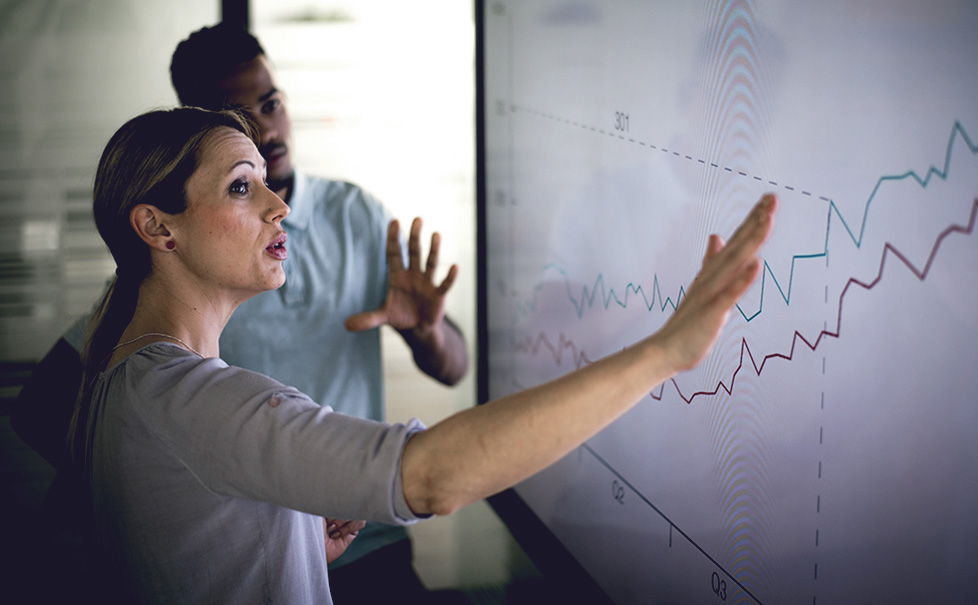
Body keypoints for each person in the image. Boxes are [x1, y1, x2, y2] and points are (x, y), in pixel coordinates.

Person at [75, 105, 776, 603]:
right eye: (239, 187)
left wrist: (290, 544)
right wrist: (663, 353)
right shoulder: (194, 400)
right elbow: (434, 477)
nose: (278, 205)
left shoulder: (122, 378)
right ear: (156, 227)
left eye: (263, 178)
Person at [12, 22, 468, 600]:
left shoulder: (355, 215)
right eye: (239, 116)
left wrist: (425, 332)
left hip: (357, 537)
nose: (269, 127)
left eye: (271, 103)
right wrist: (195, 514)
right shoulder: (169, 296)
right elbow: (432, 474)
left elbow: (453, 368)